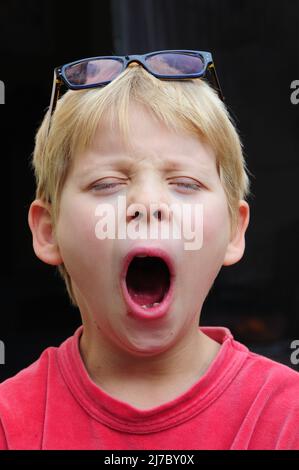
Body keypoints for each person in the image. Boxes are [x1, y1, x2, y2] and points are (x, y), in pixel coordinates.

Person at [0, 50, 298, 450]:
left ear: (233, 230)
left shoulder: (287, 417)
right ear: (49, 232)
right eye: (107, 183)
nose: (147, 202)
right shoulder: (10, 421)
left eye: (186, 183)